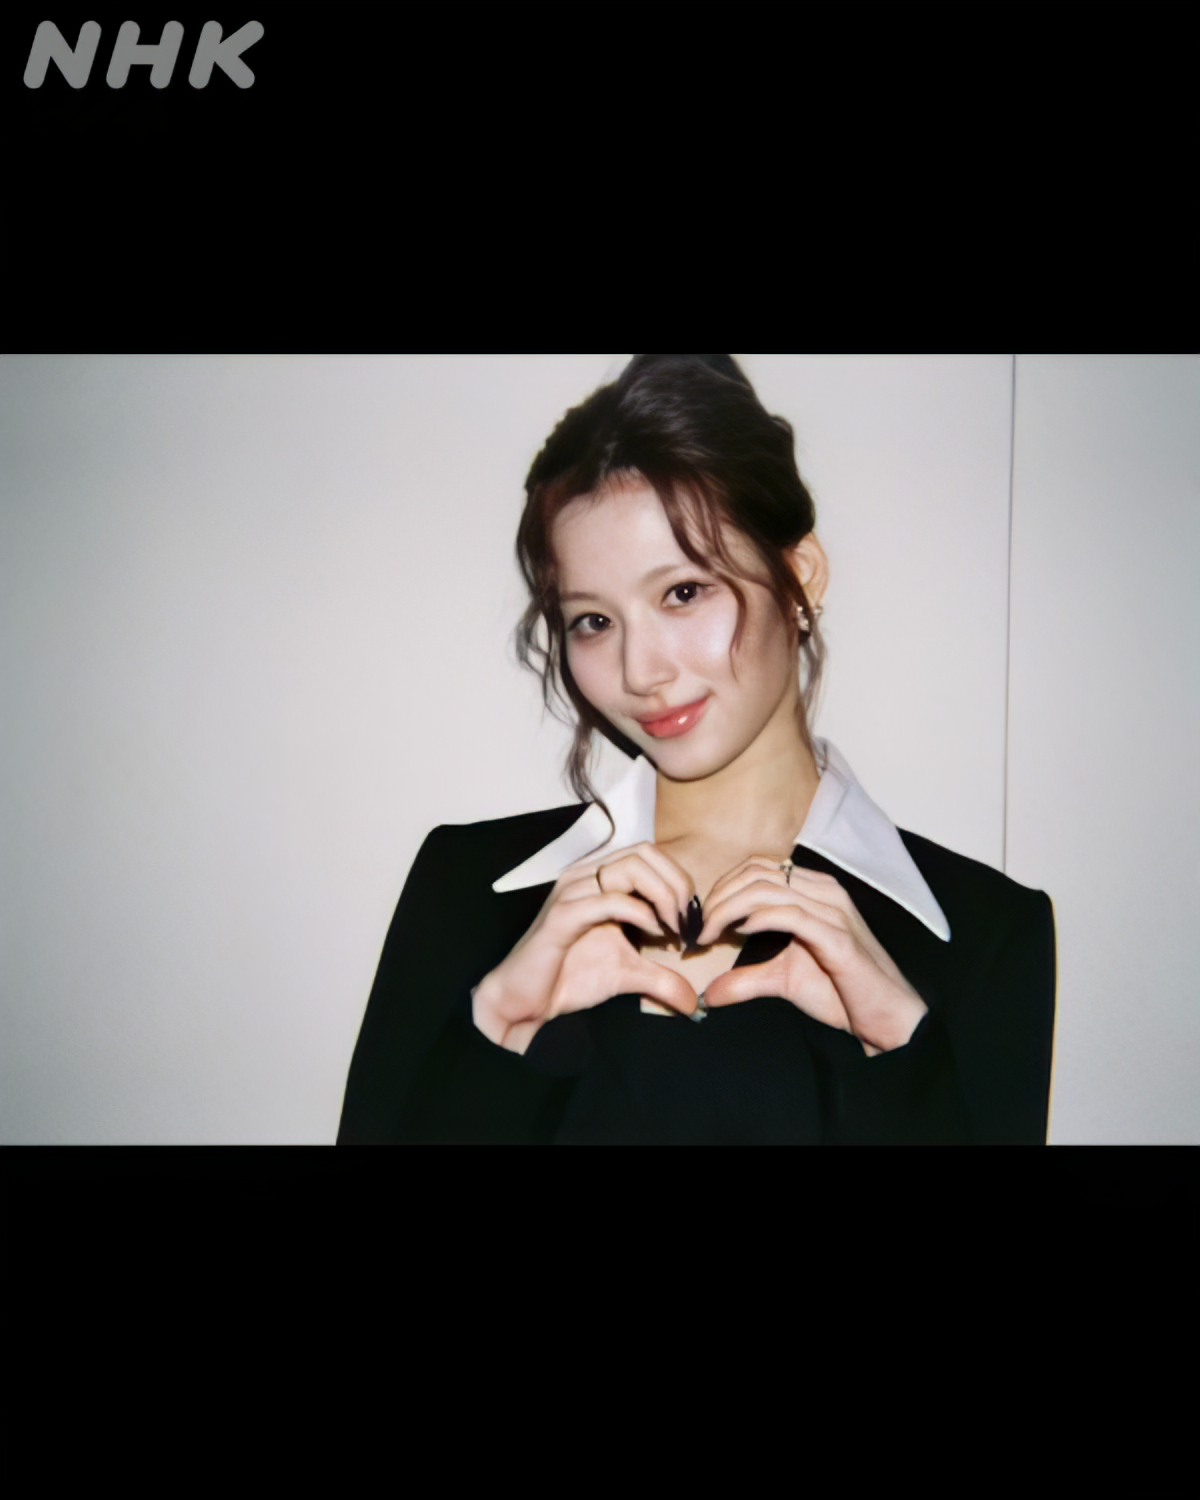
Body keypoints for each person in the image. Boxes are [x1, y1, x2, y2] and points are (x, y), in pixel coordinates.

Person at [337, 354, 1057, 1145]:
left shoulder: (986, 935)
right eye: (593, 621)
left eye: (683, 593)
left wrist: (902, 1060)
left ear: (801, 575)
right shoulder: (465, 891)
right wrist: (494, 1037)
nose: (639, 672)